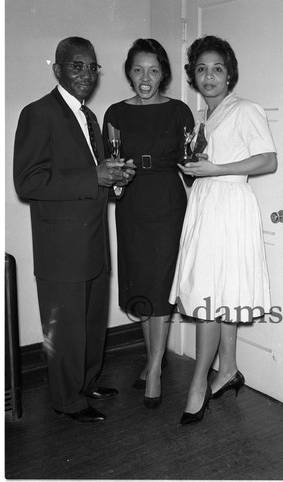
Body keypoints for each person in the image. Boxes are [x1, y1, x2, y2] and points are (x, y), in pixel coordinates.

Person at [13, 37, 135, 423]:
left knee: (91, 321)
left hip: (94, 240)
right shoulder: (38, 113)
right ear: (58, 70)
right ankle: (66, 399)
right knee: (65, 329)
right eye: (76, 66)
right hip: (61, 246)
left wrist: (114, 180)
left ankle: (85, 382)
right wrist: (93, 175)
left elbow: (92, 178)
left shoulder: (91, 117)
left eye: (91, 67)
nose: (86, 74)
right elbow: (28, 182)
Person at [169, 35, 278, 425]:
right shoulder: (201, 116)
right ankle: (227, 369)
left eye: (217, 68)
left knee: (209, 299)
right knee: (219, 291)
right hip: (205, 203)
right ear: (192, 76)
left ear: (229, 74)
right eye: (201, 69)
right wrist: (195, 172)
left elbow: (267, 161)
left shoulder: (245, 109)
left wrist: (214, 170)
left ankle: (198, 384)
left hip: (229, 205)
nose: (209, 76)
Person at [103, 38, 194, 408]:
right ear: (128, 72)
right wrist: (117, 184)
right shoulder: (114, 113)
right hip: (132, 203)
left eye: (154, 70)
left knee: (160, 283)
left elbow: (191, 164)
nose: (146, 77)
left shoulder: (180, 111)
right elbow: (107, 166)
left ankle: (155, 366)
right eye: (138, 69)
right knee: (141, 281)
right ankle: (153, 358)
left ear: (164, 74)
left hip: (168, 202)